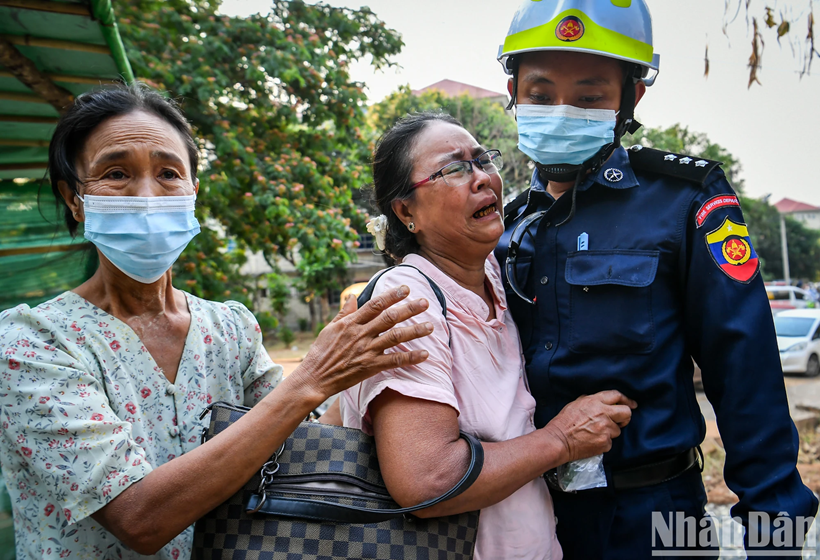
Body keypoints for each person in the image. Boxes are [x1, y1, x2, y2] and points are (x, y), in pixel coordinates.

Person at [0, 84, 435, 559]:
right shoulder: (32, 343)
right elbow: (140, 520)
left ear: (192, 192)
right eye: (117, 173)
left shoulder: (230, 328)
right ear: (74, 197)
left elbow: (295, 446)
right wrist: (313, 376)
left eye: (169, 173)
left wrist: (358, 373)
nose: (147, 195)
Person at [494, 1, 818, 558]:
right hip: (522, 512)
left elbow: (746, 371)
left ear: (631, 97)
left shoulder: (685, 200)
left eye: (590, 96)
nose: (562, 111)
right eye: (541, 96)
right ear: (514, 92)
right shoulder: (504, 224)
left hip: (661, 511)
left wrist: (778, 540)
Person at [339, 112, 637, 560]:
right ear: (405, 212)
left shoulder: (497, 276)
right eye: (455, 168)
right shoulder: (407, 301)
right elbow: (428, 481)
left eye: (483, 160)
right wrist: (562, 440)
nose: (482, 179)